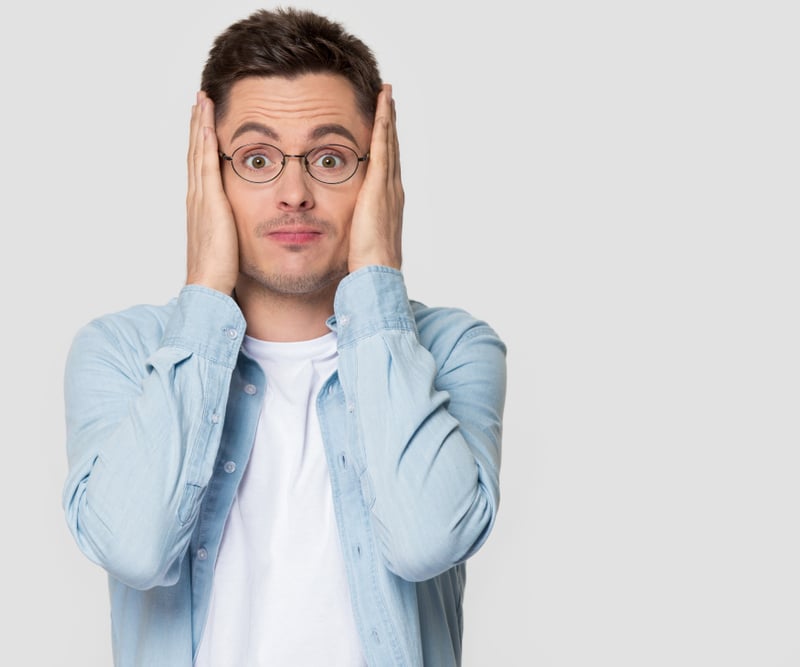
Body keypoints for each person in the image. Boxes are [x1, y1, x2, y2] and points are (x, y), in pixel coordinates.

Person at [63, 8, 507, 666]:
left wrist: (378, 275)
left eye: (330, 158)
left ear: (378, 174)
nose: (294, 192)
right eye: (257, 159)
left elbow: (424, 540)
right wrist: (204, 294)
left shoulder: (451, 348)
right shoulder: (123, 352)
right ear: (207, 174)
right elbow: (135, 546)